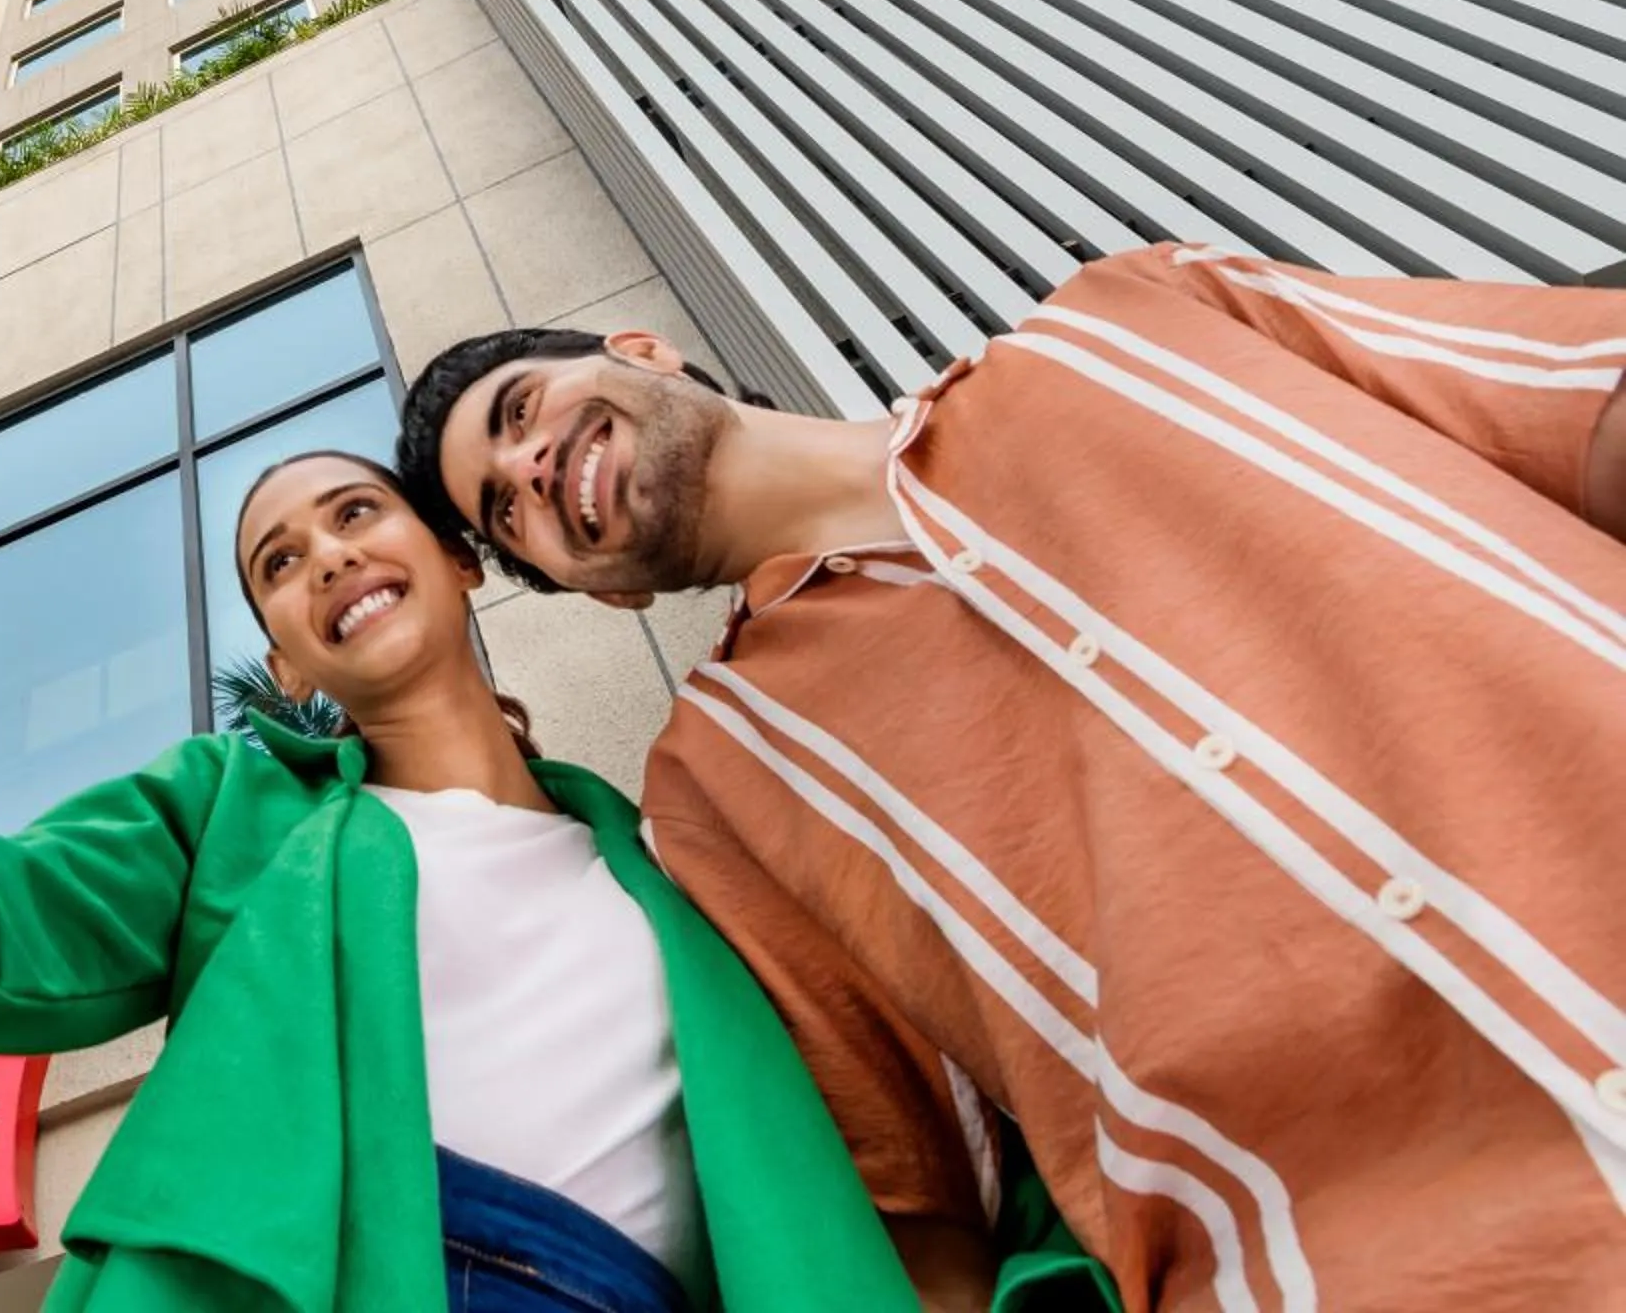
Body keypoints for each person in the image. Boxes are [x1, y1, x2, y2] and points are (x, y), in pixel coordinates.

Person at [0, 117, 1035, 1313]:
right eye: (280, 563)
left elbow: (926, 1117)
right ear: (288, 665)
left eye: (357, 514)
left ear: (463, 563)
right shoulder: (226, 820)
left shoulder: (680, 848)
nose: (330, 554)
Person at [397, 242, 1626, 1311]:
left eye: (518, 412)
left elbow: (1578, 416)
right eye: (506, 514)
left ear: (642, 347)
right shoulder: (722, 785)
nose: (534, 471)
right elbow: (920, 1224)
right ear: (605, 589)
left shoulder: (1129, 321)